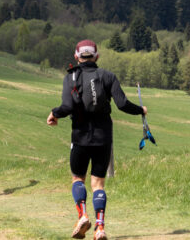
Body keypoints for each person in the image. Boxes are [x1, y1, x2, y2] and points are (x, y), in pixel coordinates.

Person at [47, 40, 148, 240]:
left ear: (76, 57)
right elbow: (122, 104)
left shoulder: (71, 77)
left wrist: (54, 114)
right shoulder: (108, 76)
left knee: (78, 179)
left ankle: (82, 215)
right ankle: (100, 227)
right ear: (97, 56)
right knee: (98, 184)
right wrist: (141, 110)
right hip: (103, 137)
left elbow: (66, 107)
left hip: (80, 136)